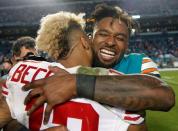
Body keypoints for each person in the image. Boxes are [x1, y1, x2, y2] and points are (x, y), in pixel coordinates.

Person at [22, 3, 175, 124]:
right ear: (90, 38)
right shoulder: (70, 63)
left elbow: (165, 97)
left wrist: (78, 84)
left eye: (120, 38)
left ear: (127, 44)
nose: (110, 42)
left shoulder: (140, 62)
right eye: (103, 34)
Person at [1, 11, 145, 131]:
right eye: (89, 37)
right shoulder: (111, 82)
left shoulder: (23, 70)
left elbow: (5, 117)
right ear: (84, 42)